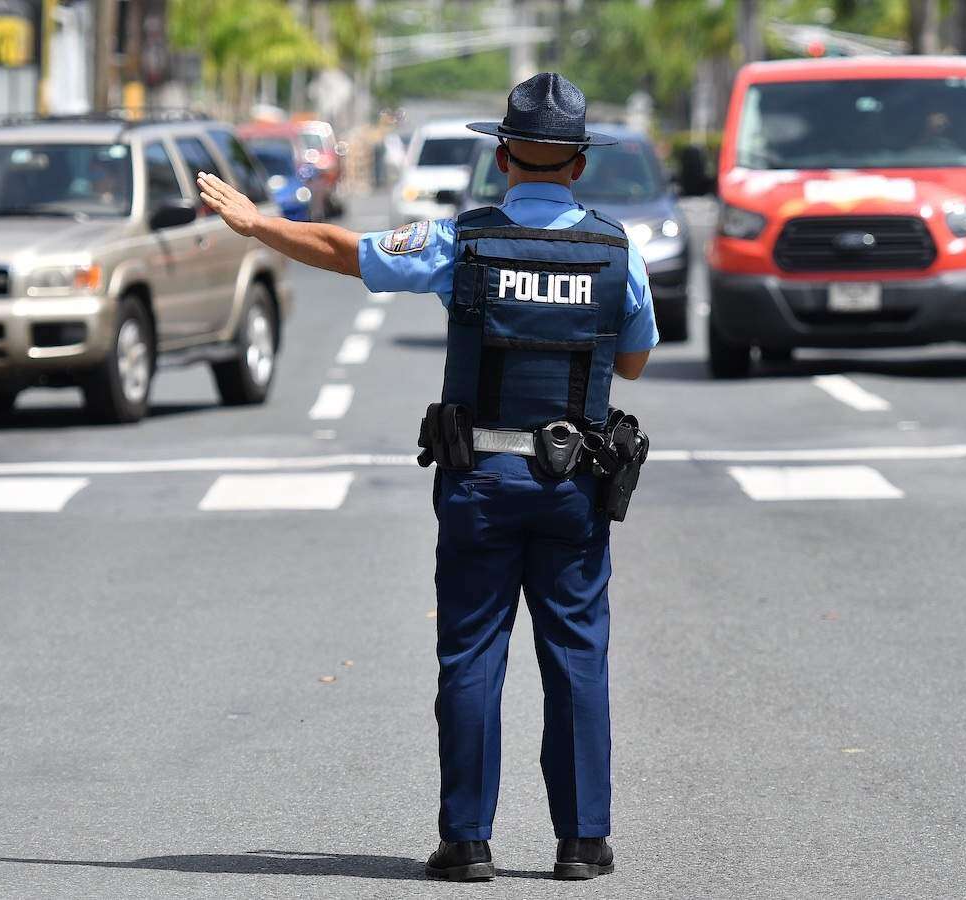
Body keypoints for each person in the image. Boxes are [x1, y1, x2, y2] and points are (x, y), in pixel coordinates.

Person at [195, 72, 656, 883]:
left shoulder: (464, 243)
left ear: (504, 156)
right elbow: (634, 360)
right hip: (574, 484)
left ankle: (467, 841)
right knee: (577, 657)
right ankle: (582, 842)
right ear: (579, 165)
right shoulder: (618, 252)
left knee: (474, 653)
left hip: (480, 478)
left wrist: (258, 223)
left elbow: (352, 254)